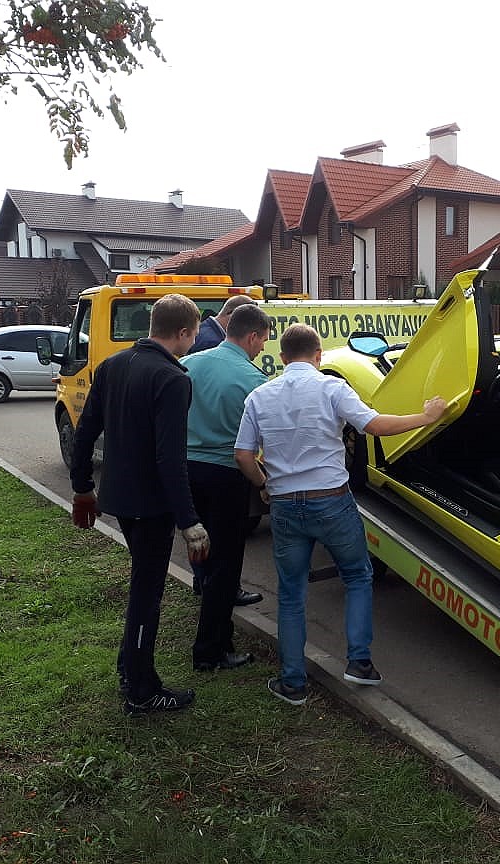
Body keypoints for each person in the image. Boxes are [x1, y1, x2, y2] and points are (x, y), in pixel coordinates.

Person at [235, 323, 448, 706]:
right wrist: (426, 417)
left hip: (285, 504)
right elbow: (375, 426)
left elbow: (243, 456)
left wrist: (264, 485)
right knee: (357, 575)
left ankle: (293, 683)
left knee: (291, 593)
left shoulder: (259, 396)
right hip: (332, 501)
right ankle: (360, 664)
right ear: (318, 357)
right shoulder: (332, 388)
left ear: (283, 359)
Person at [69, 293, 210, 714]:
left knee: (142, 586)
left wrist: (82, 487)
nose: (194, 340)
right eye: (195, 333)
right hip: (151, 505)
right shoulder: (172, 378)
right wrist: (190, 522)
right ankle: (142, 691)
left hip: (120, 499)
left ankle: (129, 666)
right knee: (147, 595)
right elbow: (171, 458)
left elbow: (85, 430)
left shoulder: (113, 365)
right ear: (183, 332)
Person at [182, 303, 272, 673]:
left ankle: (202, 594)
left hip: (185, 471)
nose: (262, 349)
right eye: (263, 341)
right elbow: (261, 442)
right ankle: (211, 650)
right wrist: (264, 482)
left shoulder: (189, 364)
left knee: (200, 546)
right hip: (225, 475)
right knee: (226, 565)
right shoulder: (253, 381)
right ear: (251, 336)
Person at [189, 294, 257, 354]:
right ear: (232, 315)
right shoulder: (212, 342)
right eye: (246, 321)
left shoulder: (206, 329)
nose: (247, 328)